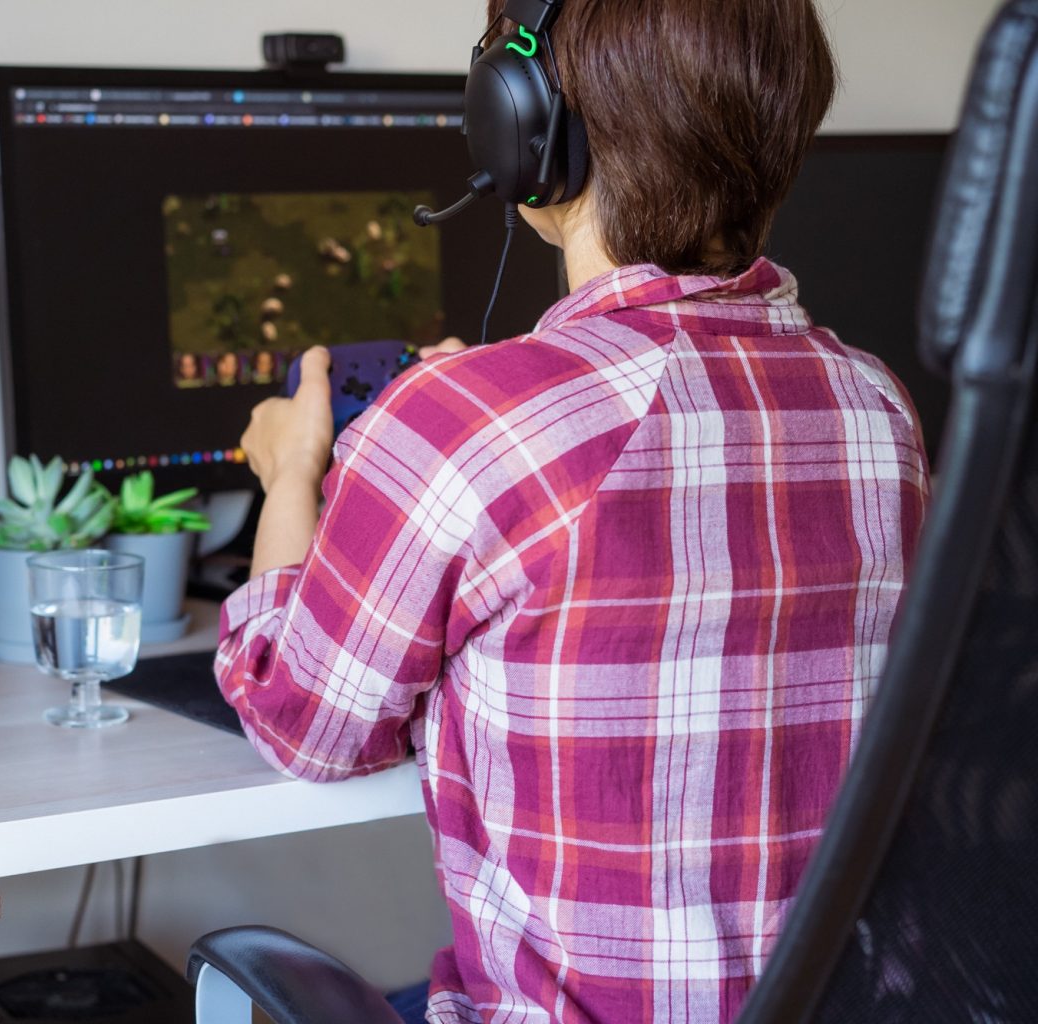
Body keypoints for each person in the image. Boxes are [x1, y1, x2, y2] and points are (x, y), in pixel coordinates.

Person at [213, 1, 930, 1022]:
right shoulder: (878, 408)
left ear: (524, 128)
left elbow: (304, 727)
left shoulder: (463, 424)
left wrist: (293, 475)